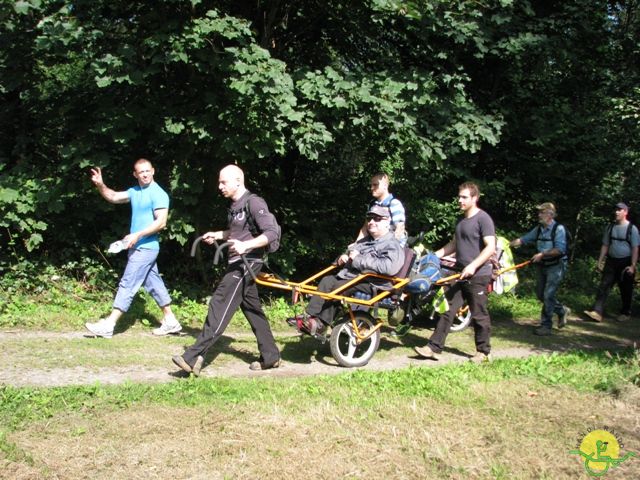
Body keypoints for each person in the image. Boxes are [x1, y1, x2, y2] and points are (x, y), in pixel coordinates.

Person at [172, 164, 280, 375]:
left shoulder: (254, 202)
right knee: (253, 310)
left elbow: (271, 233)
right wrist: (218, 235)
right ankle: (271, 356)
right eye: (219, 182)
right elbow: (237, 232)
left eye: (223, 182)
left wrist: (247, 246)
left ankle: (192, 357)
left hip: (248, 262)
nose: (219, 186)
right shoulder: (234, 206)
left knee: (219, 303)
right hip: (238, 261)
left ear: (238, 181)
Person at [85, 159, 181, 338]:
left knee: (128, 283)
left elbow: (161, 222)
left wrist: (137, 235)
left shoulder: (158, 194)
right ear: (135, 174)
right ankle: (171, 320)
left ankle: (109, 324)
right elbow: (113, 197)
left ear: (153, 171)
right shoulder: (135, 192)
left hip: (146, 247)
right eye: (141, 172)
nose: (144, 174)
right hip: (138, 247)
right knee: (153, 283)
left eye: (147, 171)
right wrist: (100, 185)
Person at [289, 204, 405, 335]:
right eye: (369, 218)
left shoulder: (392, 244)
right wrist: (341, 259)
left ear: (386, 222)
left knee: (338, 287)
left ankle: (320, 324)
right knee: (328, 281)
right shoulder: (365, 242)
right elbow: (348, 254)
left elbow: (389, 267)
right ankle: (310, 317)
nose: (371, 222)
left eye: (377, 218)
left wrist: (357, 260)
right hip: (355, 278)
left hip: (375, 283)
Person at [414, 182, 496, 363]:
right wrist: (433, 256)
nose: (460, 200)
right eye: (459, 196)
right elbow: (453, 245)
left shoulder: (483, 219)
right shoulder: (460, 221)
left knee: (479, 314)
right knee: (447, 310)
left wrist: (473, 266)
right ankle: (433, 348)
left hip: (478, 274)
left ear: (475, 198)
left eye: (464, 197)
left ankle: (483, 352)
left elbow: (490, 248)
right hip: (460, 272)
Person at [509, 202, 570, 336]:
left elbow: (560, 250)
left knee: (548, 295)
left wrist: (542, 254)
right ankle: (561, 310)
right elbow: (523, 240)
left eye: (542, 212)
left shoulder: (558, 229)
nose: (539, 215)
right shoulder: (538, 229)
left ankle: (546, 326)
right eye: (539, 212)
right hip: (542, 265)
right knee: (541, 295)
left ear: (550, 215)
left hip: (556, 266)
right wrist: (507, 245)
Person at [584, 202, 639, 322]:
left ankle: (625, 312)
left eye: (620, 210)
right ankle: (597, 312)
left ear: (625, 212)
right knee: (604, 285)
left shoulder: (632, 229)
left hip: (626, 262)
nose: (616, 212)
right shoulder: (610, 227)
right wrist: (600, 261)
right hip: (611, 261)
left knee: (625, 288)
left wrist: (633, 266)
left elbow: (635, 248)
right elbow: (605, 245)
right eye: (616, 210)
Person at [356, 172, 407, 246]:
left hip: (389, 249)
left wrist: (391, 248)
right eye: (371, 185)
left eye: (375, 185)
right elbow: (365, 228)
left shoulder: (394, 203)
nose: (372, 188)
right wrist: (355, 246)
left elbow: (400, 228)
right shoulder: (372, 204)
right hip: (373, 246)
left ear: (385, 186)